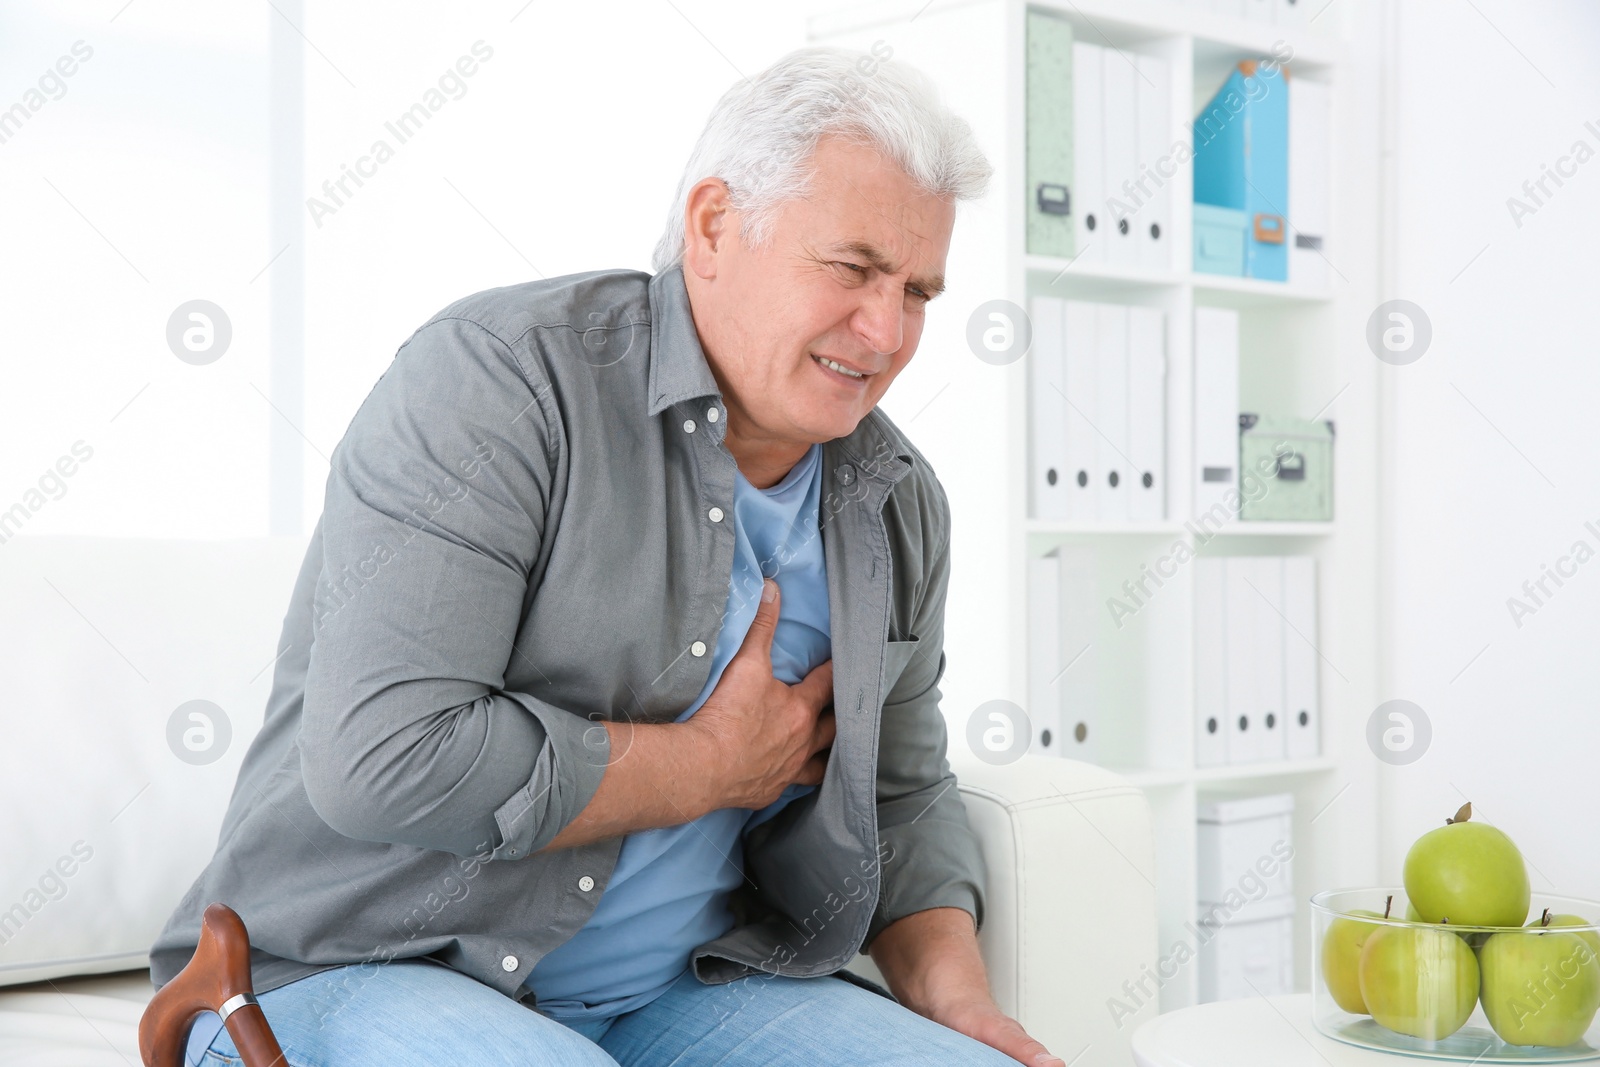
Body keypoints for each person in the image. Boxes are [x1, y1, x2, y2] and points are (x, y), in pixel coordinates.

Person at [152, 46, 1064, 1067]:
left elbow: (900, 792)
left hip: (679, 990)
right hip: (345, 967)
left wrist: (960, 1004)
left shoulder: (893, 497)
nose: (887, 329)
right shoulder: (498, 383)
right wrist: (707, 766)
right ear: (713, 226)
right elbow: (384, 756)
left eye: (919, 291)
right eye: (852, 269)